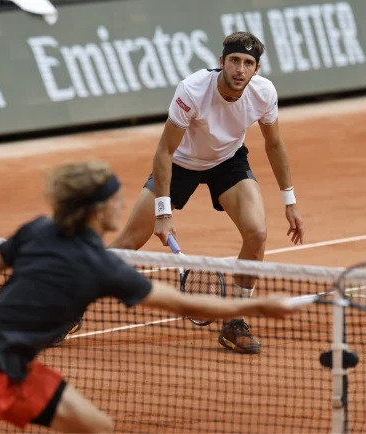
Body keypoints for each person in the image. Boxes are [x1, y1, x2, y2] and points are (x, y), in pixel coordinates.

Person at [0, 161, 297, 434]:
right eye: (115, 200)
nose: (123, 205)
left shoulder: (40, 229)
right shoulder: (99, 266)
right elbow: (187, 305)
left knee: (97, 427)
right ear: (95, 209)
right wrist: (255, 305)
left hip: (17, 372)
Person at [105, 31, 305, 355]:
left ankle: (235, 321)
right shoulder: (193, 90)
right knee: (128, 242)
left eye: (248, 63)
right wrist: (163, 213)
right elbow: (164, 151)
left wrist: (290, 201)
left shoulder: (264, 93)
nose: (241, 69)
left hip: (227, 162)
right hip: (180, 162)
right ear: (221, 62)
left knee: (257, 233)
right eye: (235, 61)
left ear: (256, 69)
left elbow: (274, 143)